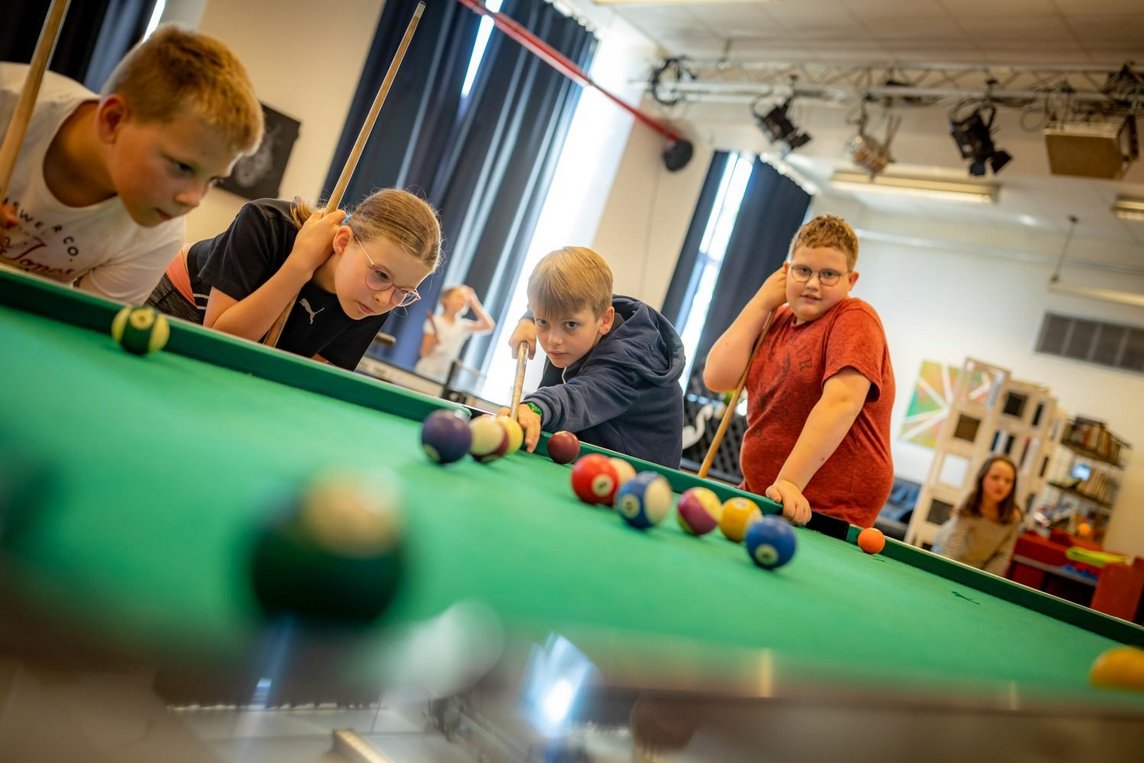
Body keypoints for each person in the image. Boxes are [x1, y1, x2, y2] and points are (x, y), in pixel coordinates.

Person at [0, 25, 263, 304]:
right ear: (113, 120)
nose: (193, 199)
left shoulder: (159, 231)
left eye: (213, 179)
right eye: (183, 167)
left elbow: (84, 332)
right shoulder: (7, 104)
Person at [703, 214, 894, 528]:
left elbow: (842, 402)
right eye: (803, 270)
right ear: (786, 271)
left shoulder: (854, 317)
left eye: (829, 274)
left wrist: (790, 482)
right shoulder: (774, 320)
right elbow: (717, 377)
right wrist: (761, 302)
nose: (813, 284)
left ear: (851, 280)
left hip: (823, 510)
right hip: (766, 496)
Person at [146, 189, 442, 370]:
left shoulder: (375, 298)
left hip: (249, 348)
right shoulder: (265, 222)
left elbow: (302, 376)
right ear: (342, 241)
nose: (385, 300)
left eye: (404, 292)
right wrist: (300, 264)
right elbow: (219, 342)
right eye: (380, 274)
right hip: (181, 305)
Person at [503, 246, 685, 467]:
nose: (553, 340)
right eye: (544, 322)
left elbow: (579, 395)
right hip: (590, 467)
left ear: (605, 320)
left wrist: (534, 407)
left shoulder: (628, 362)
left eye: (570, 325)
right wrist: (529, 318)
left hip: (638, 484)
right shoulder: (587, 312)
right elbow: (557, 305)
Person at [932, 455, 1023, 575]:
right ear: (982, 478)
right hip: (945, 556)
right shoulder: (969, 503)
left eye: (1008, 481)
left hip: (976, 569)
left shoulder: (1014, 517)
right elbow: (952, 544)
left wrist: (985, 581)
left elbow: (1003, 555)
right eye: (995, 477)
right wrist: (943, 570)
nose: (1001, 484)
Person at [415, 284, 495, 382]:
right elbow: (424, 352)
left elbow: (489, 326)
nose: (463, 301)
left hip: (445, 377)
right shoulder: (436, 321)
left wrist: (474, 301)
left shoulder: (463, 325)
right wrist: (433, 343)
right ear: (445, 300)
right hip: (425, 373)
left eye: (465, 299)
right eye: (459, 297)